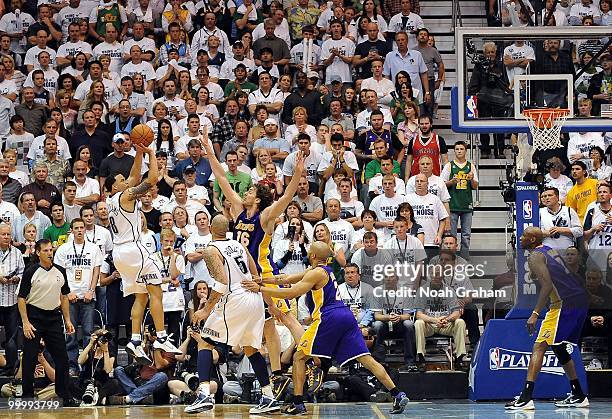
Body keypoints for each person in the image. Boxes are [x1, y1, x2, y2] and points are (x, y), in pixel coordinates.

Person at [242, 241, 410, 415]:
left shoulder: (315, 273)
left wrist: (261, 289)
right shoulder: (322, 270)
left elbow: (292, 292)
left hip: (329, 317)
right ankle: (397, 394)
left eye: (309, 251)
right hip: (346, 316)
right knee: (366, 360)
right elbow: (286, 279)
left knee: (299, 357)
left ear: (313, 256)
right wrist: (263, 280)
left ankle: (298, 403)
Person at [185, 214, 280, 414]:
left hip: (234, 298)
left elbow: (220, 283)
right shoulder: (239, 245)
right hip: (253, 298)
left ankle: (203, 394)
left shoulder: (211, 249)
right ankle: (269, 396)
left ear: (211, 227)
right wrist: (269, 303)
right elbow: (256, 276)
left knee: (204, 341)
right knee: (250, 348)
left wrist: (205, 309)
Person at [104, 143, 181, 364]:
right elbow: (151, 180)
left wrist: (137, 153)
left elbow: (133, 176)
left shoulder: (111, 201)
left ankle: (135, 340)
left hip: (121, 254)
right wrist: (150, 155)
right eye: (121, 180)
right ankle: (162, 337)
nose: (125, 180)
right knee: (156, 291)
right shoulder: (125, 196)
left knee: (141, 295)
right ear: (114, 187)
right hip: (135, 249)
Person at [506, 227, 589, 410]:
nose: (520, 238)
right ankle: (579, 395)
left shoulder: (535, 256)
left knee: (539, 346)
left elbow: (547, 285)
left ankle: (526, 397)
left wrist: (535, 314)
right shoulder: (549, 250)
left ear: (533, 239)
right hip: (578, 301)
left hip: (564, 305)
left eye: (524, 236)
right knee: (558, 348)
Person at [17, 239, 78, 405]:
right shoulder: (31, 271)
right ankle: (27, 396)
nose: (50, 253)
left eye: (51, 250)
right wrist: (25, 322)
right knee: (29, 358)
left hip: (53, 318)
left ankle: (64, 394)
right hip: (34, 317)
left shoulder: (60, 271)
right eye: (46, 250)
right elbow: (21, 299)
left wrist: (67, 320)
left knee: (62, 358)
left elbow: (64, 296)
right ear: (38, 252)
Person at [54, 218, 103, 375]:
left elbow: (96, 271)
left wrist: (91, 290)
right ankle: (72, 366)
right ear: (72, 230)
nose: (80, 230)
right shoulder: (63, 249)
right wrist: (67, 292)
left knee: (89, 333)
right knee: (71, 333)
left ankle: (89, 366)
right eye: (77, 228)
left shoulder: (94, 248)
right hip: (70, 297)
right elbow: (59, 273)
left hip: (88, 296)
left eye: (82, 227)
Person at [0, 223, 25, 374]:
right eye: (3, 234)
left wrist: (16, 278)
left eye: (8, 235)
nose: (6, 237)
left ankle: (11, 367)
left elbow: (23, 274)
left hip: (11, 300)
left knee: (12, 336)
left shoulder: (16, 253)